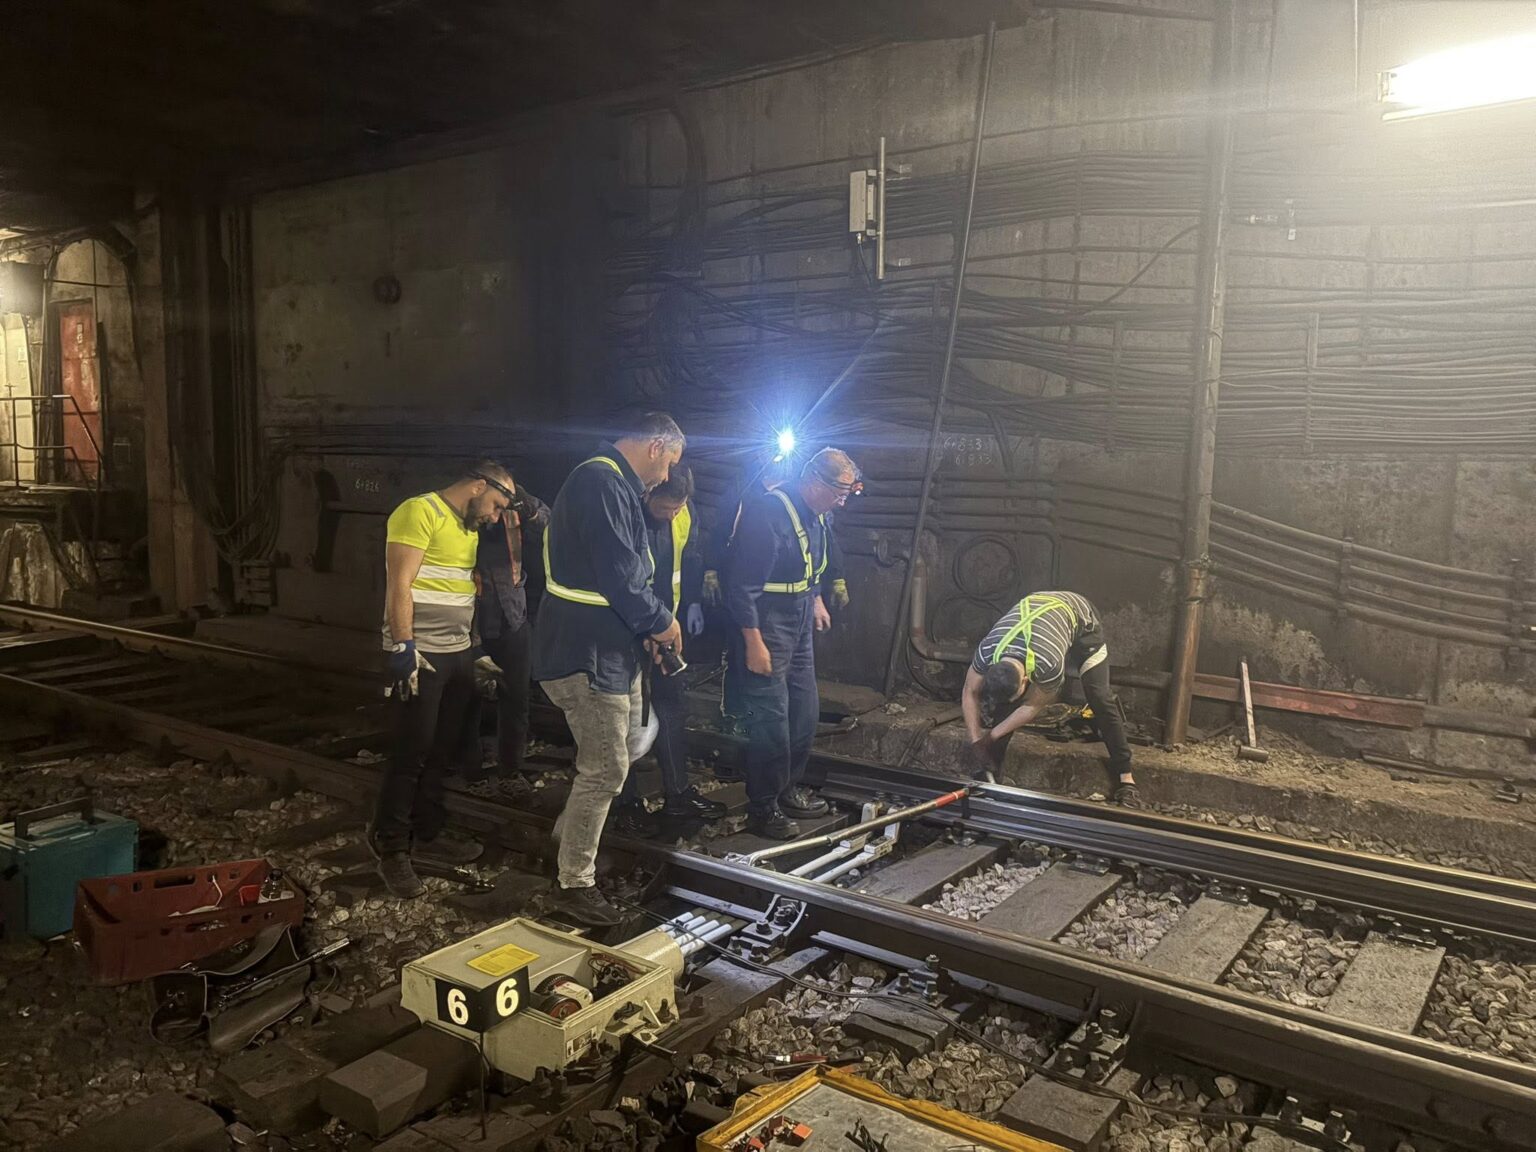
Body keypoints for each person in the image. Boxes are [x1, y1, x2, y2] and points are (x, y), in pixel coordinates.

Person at [533, 412, 686, 926]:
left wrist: (647, 628)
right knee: (606, 768)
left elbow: (621, 575)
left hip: (608, 651)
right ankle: (572, 884)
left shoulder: (611, 484)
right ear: (657, 446)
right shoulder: (601, 482)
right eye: (669, 464)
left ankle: (571, 830)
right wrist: (662, 622)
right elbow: (622, 575)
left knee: (625, 748)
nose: (666, 478)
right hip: (586, 655)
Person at [372, 460, 516, 898]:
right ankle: (391, 848)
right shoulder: (419, 512)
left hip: (456, 656)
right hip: (422, 657)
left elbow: (461, 591)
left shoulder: (468, 528)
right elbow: (400, 583)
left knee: (441, 750)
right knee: (411, 752)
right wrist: (403, 647)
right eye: (495, 505)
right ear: (477, 485)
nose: (495, 516)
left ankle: (428, 831)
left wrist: (475, 651)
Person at [725, 447, 861, 839]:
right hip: (767, 622)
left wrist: (815, 597)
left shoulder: (818, 514)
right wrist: (753, 641)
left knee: (805, 711)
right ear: (813, 481)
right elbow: (741, 588)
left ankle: (787, 788)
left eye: (848, 493)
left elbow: (809, 563)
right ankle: (762, 807)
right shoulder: (768, 514)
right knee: (771, 718)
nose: (841, 500)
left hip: (799, 616)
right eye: (838, 492)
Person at [613, 464, 725, 830]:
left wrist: (691, 603)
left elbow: (689, 558)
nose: (673, 514)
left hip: (666, 631)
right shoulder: (626, 516)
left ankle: (678, 794)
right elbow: (625, 583)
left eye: (679, 507)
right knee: (625, 719)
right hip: (627, 634)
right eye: (666, 509)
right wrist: (647, 628)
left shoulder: (683, 513)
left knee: (672, 708)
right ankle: (624, 802)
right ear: (648, 495)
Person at [961, 591, 1141, 806]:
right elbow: (969, 691)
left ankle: (1126, 779)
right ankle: (990, 772)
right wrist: (975, 740)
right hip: (1039, 611)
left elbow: (1032, 706)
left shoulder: (1048, 663)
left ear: (1027, 678)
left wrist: (990, 737)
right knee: (1005, 707)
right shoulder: (987, 651)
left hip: (1082, 621)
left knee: (1100, 698)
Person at [460, 482, 549, 800]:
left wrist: (531, 508)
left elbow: (552, 526)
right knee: (467, 701)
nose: (497, 513)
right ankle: (471, 774)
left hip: (513, 617)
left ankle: (510, 771)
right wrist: (473, 641)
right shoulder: (463, 516)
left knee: (516, 700)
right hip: (472, 621)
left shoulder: (515, 511)